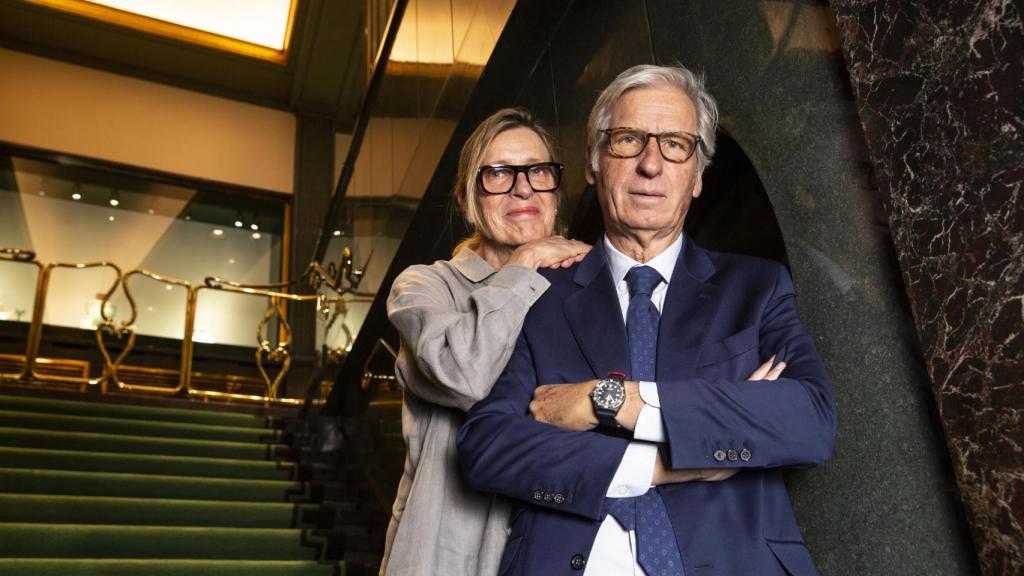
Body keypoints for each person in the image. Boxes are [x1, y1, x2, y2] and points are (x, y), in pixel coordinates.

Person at [457, 64, 837, 575]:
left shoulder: (756, 288)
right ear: (594, 162)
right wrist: (669, 460)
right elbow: (487, 445)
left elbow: (807, 421)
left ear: (698, 176)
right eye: (629, 140)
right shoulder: (541, 296)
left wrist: (612, 401)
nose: (651, 165)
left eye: (676, 144)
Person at [379, 107, 590, 576]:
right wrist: (526, 260)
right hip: (445, 555)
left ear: (556, 189)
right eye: (497, 173)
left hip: (557, 546)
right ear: (465, 199)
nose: (522, 187)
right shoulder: (424, 288)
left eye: (538, 171)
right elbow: (468, 374)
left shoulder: (588, 284)